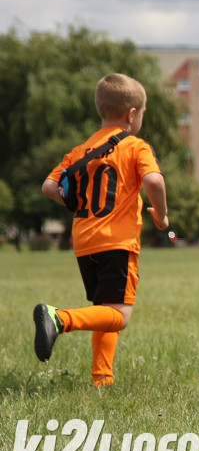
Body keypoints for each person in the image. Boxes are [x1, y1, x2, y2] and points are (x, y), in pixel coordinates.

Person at [36, 73, 169, 388]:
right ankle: (59, 318)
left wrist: (74, 204)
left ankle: (102, 378)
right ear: (132, 114)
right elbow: (153, 181)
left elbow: (49, 186)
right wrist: (162, 217)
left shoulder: (81, 150)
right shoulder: (136, 146)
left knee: (104, 308)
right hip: (118, 242)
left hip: (84, 240)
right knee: (119, 316)